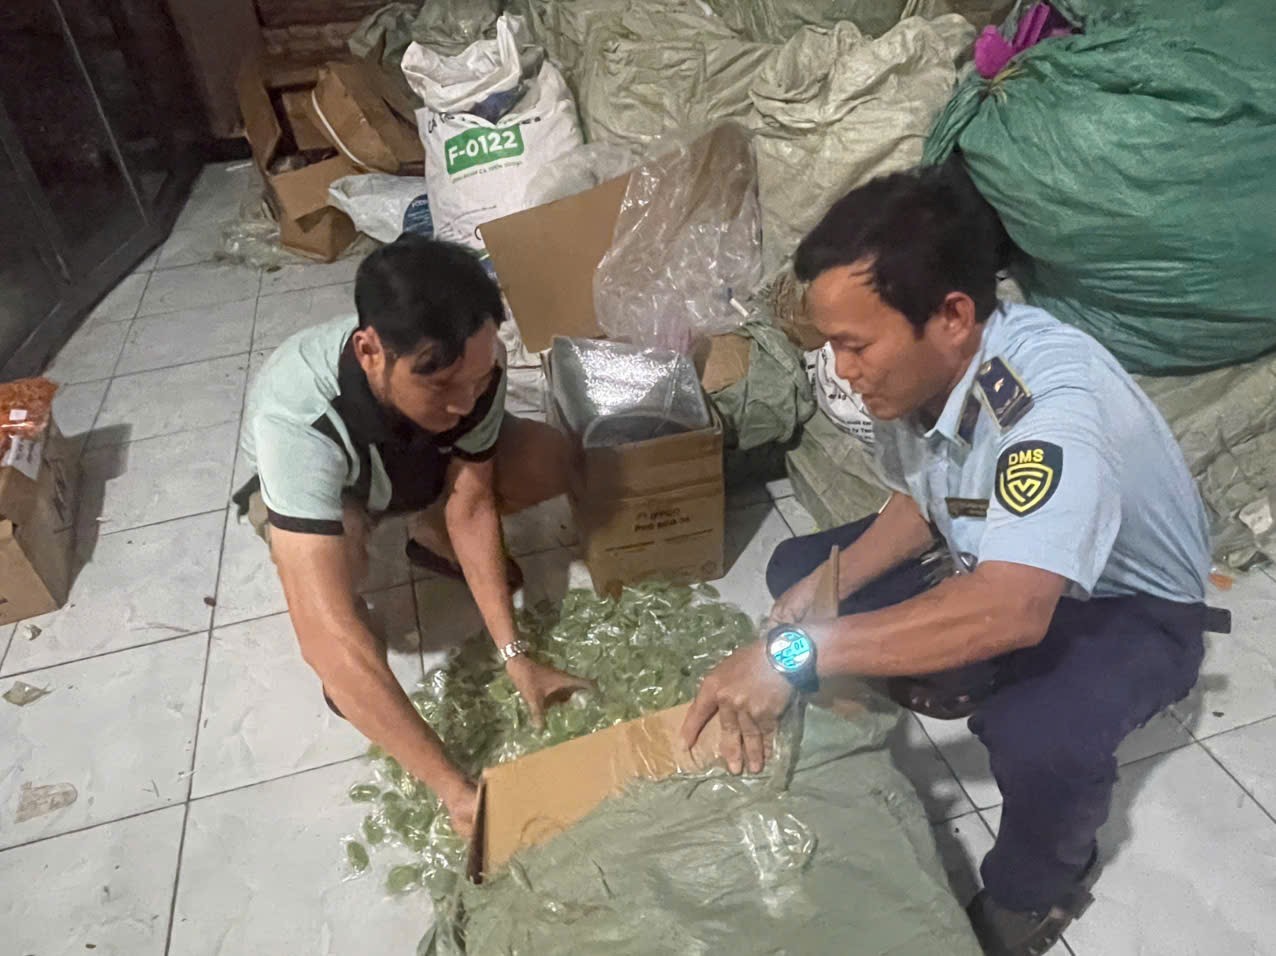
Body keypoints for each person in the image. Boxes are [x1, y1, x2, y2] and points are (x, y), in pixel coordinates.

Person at [681, 163, 1221, 956]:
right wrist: (826, 589)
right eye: (832, 347)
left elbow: (1013, 607)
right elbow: (929, 502)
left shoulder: (1047, 408)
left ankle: (1039, 888)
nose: (841, 370)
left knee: (1038, 734)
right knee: (802, 572)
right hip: (997, 563)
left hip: (1126, 607)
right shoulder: (916, 379)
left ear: (953, 316)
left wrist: (791, 655)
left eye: (854, 345)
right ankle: (954, 662)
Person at [233, 235, 590, 838]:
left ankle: (426, 531)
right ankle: (365, 652)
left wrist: (515, 657)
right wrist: (455, 791)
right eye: (441, 385)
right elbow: (323, 637)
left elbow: (473, 506)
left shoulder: (473, 367)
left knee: (550, 458)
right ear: (370, 351)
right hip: (340, 489)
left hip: (411, 463)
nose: (464, 402)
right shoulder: (297, 415)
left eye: (476, 379)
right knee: (343, 611)